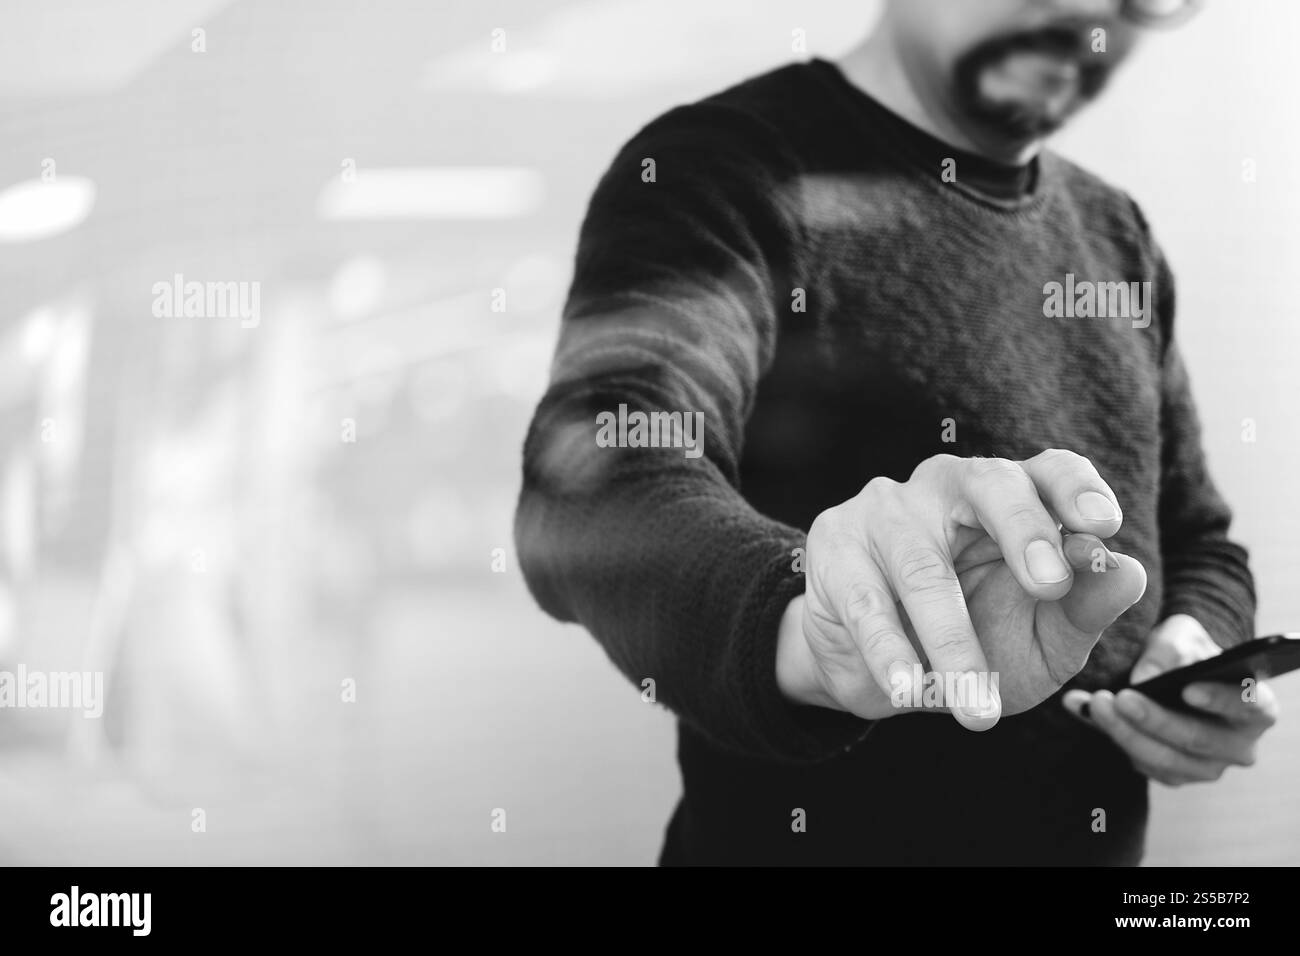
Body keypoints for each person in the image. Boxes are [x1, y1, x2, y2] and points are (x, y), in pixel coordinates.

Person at [514, 0, 1279, 865]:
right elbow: (594, 489)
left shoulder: (1115, 234)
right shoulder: (716, 170)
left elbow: (1200, 540)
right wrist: (821, 626)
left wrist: (1192, 650)